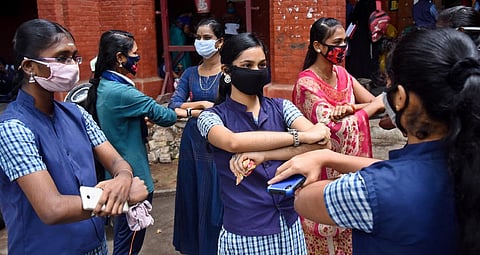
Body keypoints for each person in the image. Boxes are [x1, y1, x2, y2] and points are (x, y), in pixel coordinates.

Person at [270, 28, 480, 254]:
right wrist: (330, 157)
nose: (342, 47)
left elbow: (303, 200)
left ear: (400, 98)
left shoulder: (368, 191)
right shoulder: (466, 163)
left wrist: (322, 153)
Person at [0, 18, 148, 254]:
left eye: (73, 57)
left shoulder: (76, 113)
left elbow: (116, 161)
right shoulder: (13, 128)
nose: (71, 65)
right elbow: (52, 208)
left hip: (96, 246)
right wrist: (124, 198)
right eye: (61, 58)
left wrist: (122, 179)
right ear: (29, 66)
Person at [197, 32, 331, 254]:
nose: (256, 71)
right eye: (247, 65)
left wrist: (266, 155)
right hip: (245, 233)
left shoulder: (282, 107)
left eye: (262, 65)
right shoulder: (211, 118)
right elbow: (233, 142)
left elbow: (323, 144)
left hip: (289, 226)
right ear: (227, 71)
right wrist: (301, 137)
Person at [292, 17, 384, 255]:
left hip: (349, 175)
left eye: (344, 41)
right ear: (317, 46)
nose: (342, 48)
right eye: (336, 42)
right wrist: (366, 108)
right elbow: (334, 127)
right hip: (321, 174)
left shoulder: (344, 75)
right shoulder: (306, 83)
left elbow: (376, 104)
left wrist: (353, 108)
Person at [85, 30, 177, 255]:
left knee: (124, 238)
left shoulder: (103, 85)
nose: (138, 57)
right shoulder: (123, 92)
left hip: (113, 176)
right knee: (129, 244)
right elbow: (167, 116)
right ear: (120, 58)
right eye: (134, 53)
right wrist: (189, 109)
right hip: (134, 179)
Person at [168, 17, 225, 255]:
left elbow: (229, 108)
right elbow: (173, 106)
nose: (201, 42)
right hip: (192, 142)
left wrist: (188, 110)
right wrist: (200, 105)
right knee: (193, 193)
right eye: (198, 38)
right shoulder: (191, 73)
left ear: (220, 42)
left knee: (216, 197)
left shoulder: (229, 73)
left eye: (207, 38)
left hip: (220, 140)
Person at [345, 0, 378, 79]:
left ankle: (357, 73)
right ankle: (368, 73)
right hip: (369, 32)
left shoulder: (360, 4)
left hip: (359, 33)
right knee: (368, 54)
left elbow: (353, 18)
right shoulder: (374, 4)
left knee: (358, 54)